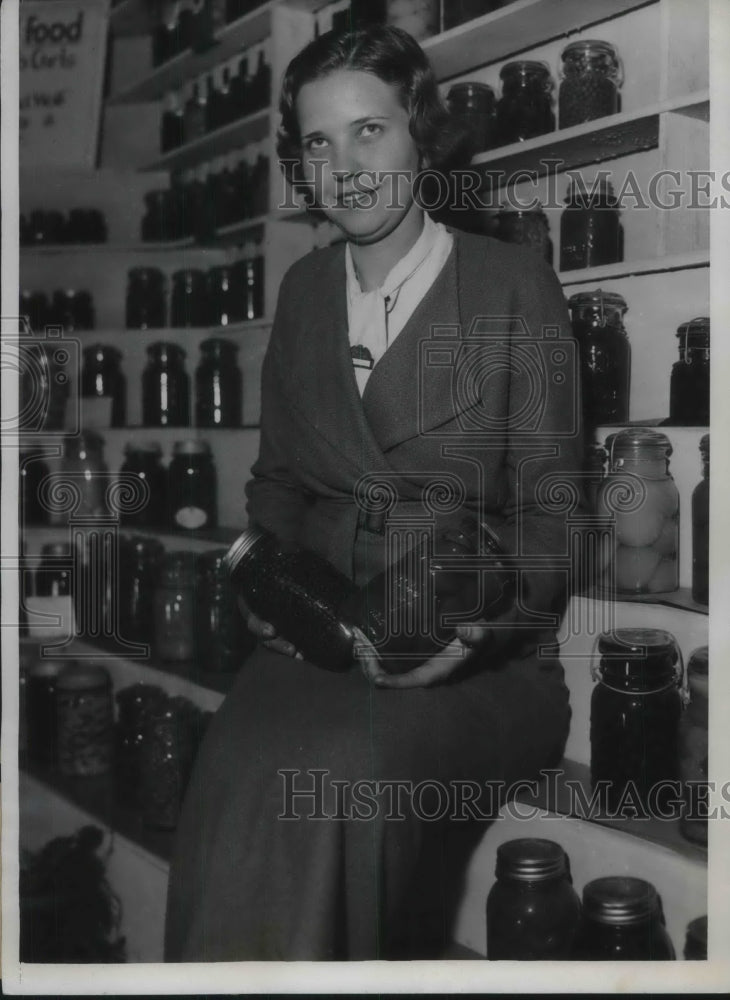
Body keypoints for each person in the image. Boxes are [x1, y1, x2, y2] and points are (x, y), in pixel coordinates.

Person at [165, 25, 583, 961]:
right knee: (227, 772)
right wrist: (265, 587)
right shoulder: (305, 293)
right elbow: (275, 486)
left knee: (342, 777)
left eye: (370, 131)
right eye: (319, 142)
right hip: (321, 635)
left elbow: (556, 516)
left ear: (419, 137)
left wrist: (476, 631)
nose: (346, 165)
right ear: (299, 168)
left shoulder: (515, 283)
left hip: (476, 653)